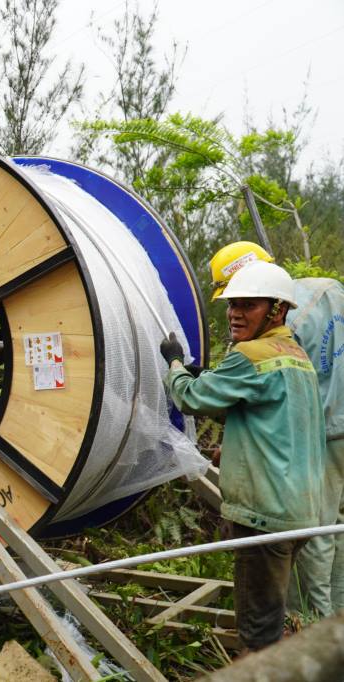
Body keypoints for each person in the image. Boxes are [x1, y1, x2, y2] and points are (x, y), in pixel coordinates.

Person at [160, 260, 325, 651]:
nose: (235, 314)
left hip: (262, 519)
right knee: (271, 614)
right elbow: (274, 422)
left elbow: (189, 398)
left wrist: (175, 364)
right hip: (298, 513)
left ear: (277, 310)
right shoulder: (296, 356)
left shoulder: (251, 355)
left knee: (258, 635)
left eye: (248, 305)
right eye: (232, 305)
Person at [211, 241, 344, 617]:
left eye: (238, 298)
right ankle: (338, 619)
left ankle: (313, 626)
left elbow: (257, 392)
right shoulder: (328, 289)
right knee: (336, 525)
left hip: (318, 434)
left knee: (310, 531)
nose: (235, 307)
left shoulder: (282, 324)